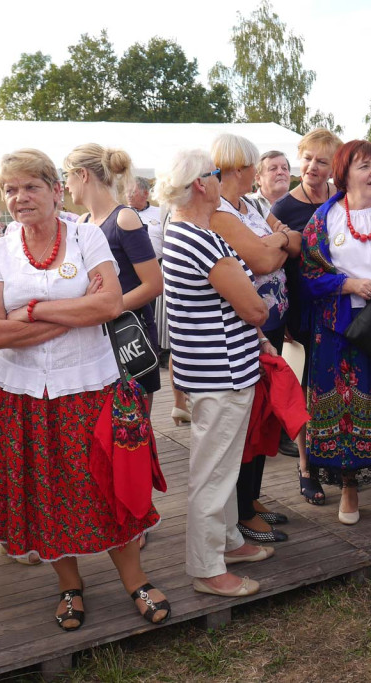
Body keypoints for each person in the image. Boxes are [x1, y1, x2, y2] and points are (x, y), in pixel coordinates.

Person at [0, 148, 169, 630]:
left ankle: (135, 578)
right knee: (46, 488)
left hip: (88, 383)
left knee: (104, 482)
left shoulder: (86, 237)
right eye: (11, 189)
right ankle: (69, 585)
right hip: (21, 390)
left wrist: (33, 310)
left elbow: (107, 305)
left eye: (31, 187)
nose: (20, 198)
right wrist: (68, 311)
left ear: (56, 190)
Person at [157, 149, 274, 597]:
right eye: (216, 173)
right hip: (220, 371)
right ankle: (207, 567)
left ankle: (228, 541)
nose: (222, 179)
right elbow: (254, 307)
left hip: (210, 368)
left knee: (220, 466)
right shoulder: (200, 238)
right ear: (202, 184)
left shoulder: (184, 231)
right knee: (211, 472)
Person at [302, 139, 371, 525]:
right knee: (347, 406)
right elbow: (308, 277)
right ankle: (348, 488)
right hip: (339, 328)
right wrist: (347, 285)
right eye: (364, 166)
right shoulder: (323, 219)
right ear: (344, 173)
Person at [210, 133, 297, 544]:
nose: (255, 172)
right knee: (246, 418)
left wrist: (274, 242)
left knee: (263, 413)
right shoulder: (220, 212)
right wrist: (274, 243)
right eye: (251, 166)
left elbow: (290, 244)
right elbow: (262, 259)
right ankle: (242, 509)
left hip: (272, 317)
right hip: (248, 323)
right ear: (239, 169)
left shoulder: (253, 205)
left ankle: (252, 497)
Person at [270, 128, 344, 505]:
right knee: (303, 390)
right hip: (300, 309)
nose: (313, 167)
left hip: (337, 307)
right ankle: (305, 467)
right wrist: (282, 320)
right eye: (308, 158)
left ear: (334, 166)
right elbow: (275, 270)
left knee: (332, 384)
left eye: (322, 160)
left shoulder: (340, 200)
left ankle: (339, 459)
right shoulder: (283, 209)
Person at [63, 144, 163, 408]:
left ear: (82, 174)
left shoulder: (124, 218)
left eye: (67, 176)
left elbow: (153, 284)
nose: (66, 186)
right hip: (93, 339)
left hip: (128, 338)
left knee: (133, 431)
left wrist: (106, 307)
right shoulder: (81, 223)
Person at [246, 150, 291, 216]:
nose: (280, 172)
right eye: (273, 168)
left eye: (284, 168)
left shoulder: (301, 204)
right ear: (258, 178)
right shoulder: (247, 205)